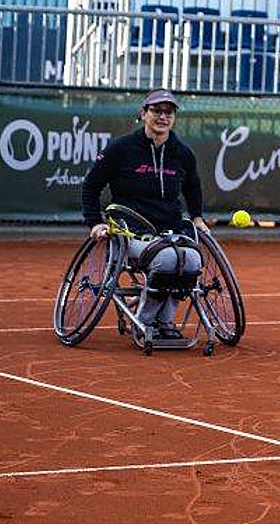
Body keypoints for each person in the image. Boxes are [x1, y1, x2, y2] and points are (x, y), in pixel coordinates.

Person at [81, 89, 207, 340]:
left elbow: (193, 187)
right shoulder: (121, 148)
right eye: (156, 111)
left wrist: (197, 218)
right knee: (169, 260)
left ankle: (164, 321)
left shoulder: (182, 153)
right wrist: (95, 223)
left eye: (169, 112)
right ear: (143, 114)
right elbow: (91, 185)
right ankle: (147, 321)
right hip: (130, 230)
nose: (163, 117)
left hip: (171, 229)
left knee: (191, 260)